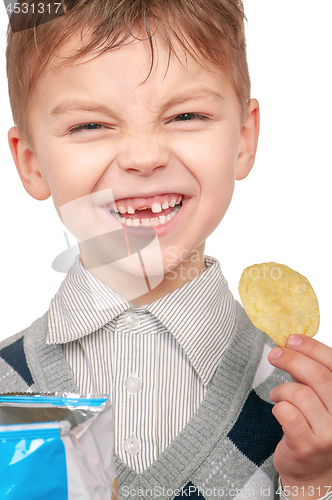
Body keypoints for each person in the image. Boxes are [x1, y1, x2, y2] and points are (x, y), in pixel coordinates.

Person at [1, 1, 332, 498]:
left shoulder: (303, 402)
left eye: (185, 115)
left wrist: (313, 482)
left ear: (243, 138)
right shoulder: (6, 386)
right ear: (31, 163)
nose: (144, 156)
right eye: (90, 125)